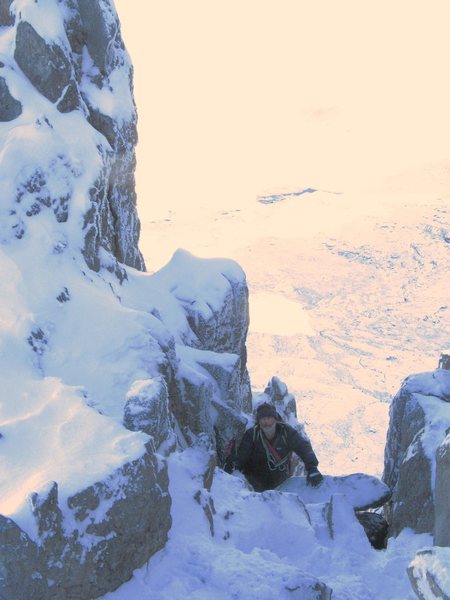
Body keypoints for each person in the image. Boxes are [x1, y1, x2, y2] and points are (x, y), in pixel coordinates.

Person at [227, 402, 323, 492]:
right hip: (255, 483)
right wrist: (232, 465)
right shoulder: (252, 434)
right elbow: (242, 455)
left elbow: (303, 447)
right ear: (259, 421)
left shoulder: (286, 432)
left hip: (280, 484)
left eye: (269, 418)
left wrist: (312, 467)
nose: (266, 422)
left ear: (275, 419)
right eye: (263, 419)